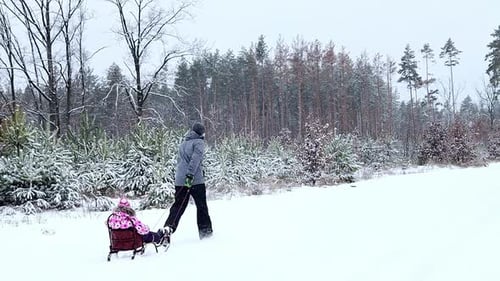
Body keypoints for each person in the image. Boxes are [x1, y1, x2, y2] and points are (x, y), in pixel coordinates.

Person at [163, 122, 213, 240]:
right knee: (201, 206)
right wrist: (190, 175)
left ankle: (168, 228)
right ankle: (205, 233)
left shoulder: (183, 143)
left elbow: (180, 162)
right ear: (201, 133)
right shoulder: (199, 143)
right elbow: (195, 160)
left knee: (178, 206)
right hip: (194, 180)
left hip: (180, 181)